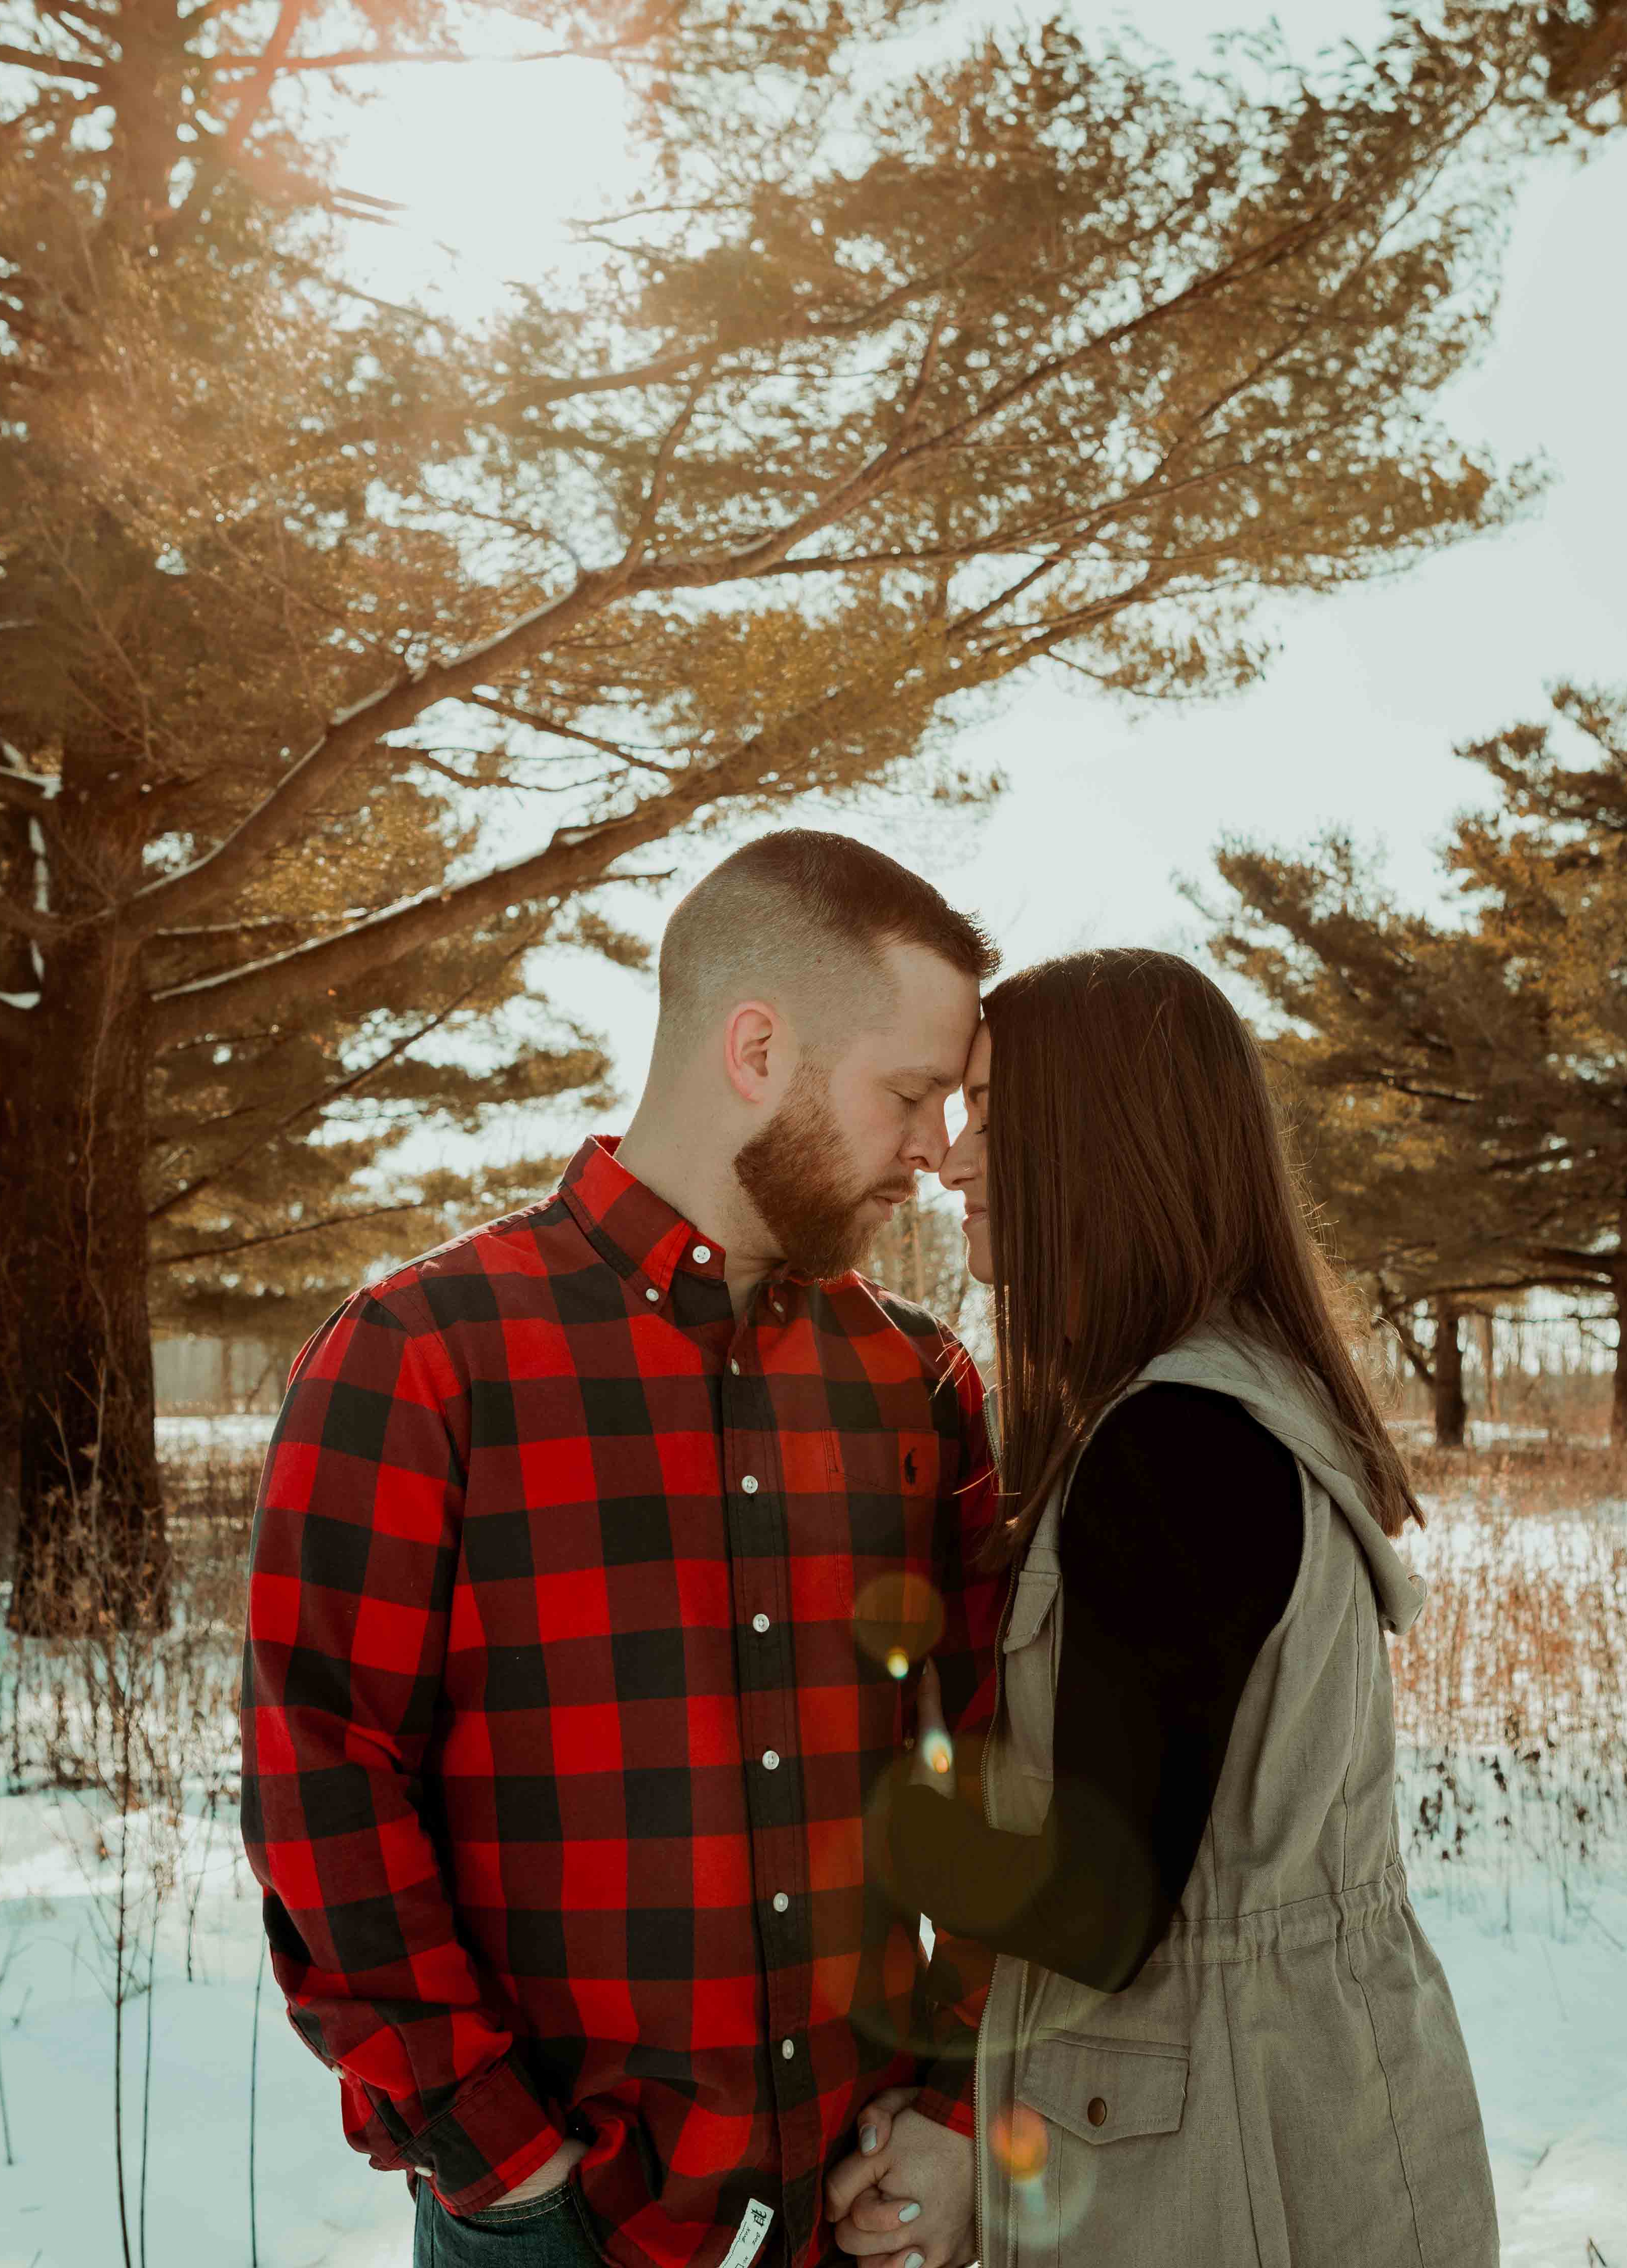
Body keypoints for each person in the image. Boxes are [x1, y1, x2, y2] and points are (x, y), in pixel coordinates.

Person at [244, 830, 1010, 2268]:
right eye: (911, 1094)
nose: (940, 1150)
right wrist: (508, 2173)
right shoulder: (422, 1358)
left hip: (865, 2219)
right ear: (758, 1047)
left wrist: (960, 2108)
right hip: (564, 2231)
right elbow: (320, 1789)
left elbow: (988, 1769)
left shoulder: (921, 1386)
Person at [830, 946, 1498, 2268]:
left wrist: (819, 1813)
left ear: (1104, 1140)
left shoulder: (1178, 1443)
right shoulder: (1228, 1386)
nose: (953, 1162)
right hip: (1304, 2109)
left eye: (994, 1122)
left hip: (1232, 2158)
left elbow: (1099, 1906)